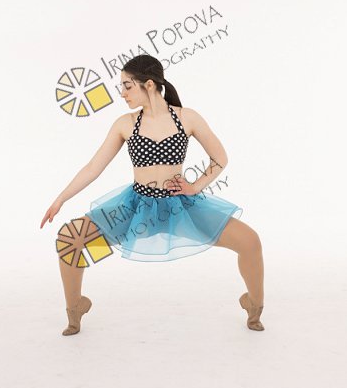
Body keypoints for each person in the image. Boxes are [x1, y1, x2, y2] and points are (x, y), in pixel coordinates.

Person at [40, 54, 265, 335]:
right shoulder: (125, 124)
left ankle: (254, 305)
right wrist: (60, 199)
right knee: (69, 241)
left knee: (250, 242)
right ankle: (76, 308)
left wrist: (195, 187)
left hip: (182, 210)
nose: (122, 94)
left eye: (127, 86)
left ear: (148, 85)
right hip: (136, 213)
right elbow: (93, 168)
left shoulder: (187, 117)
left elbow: (220, 158)